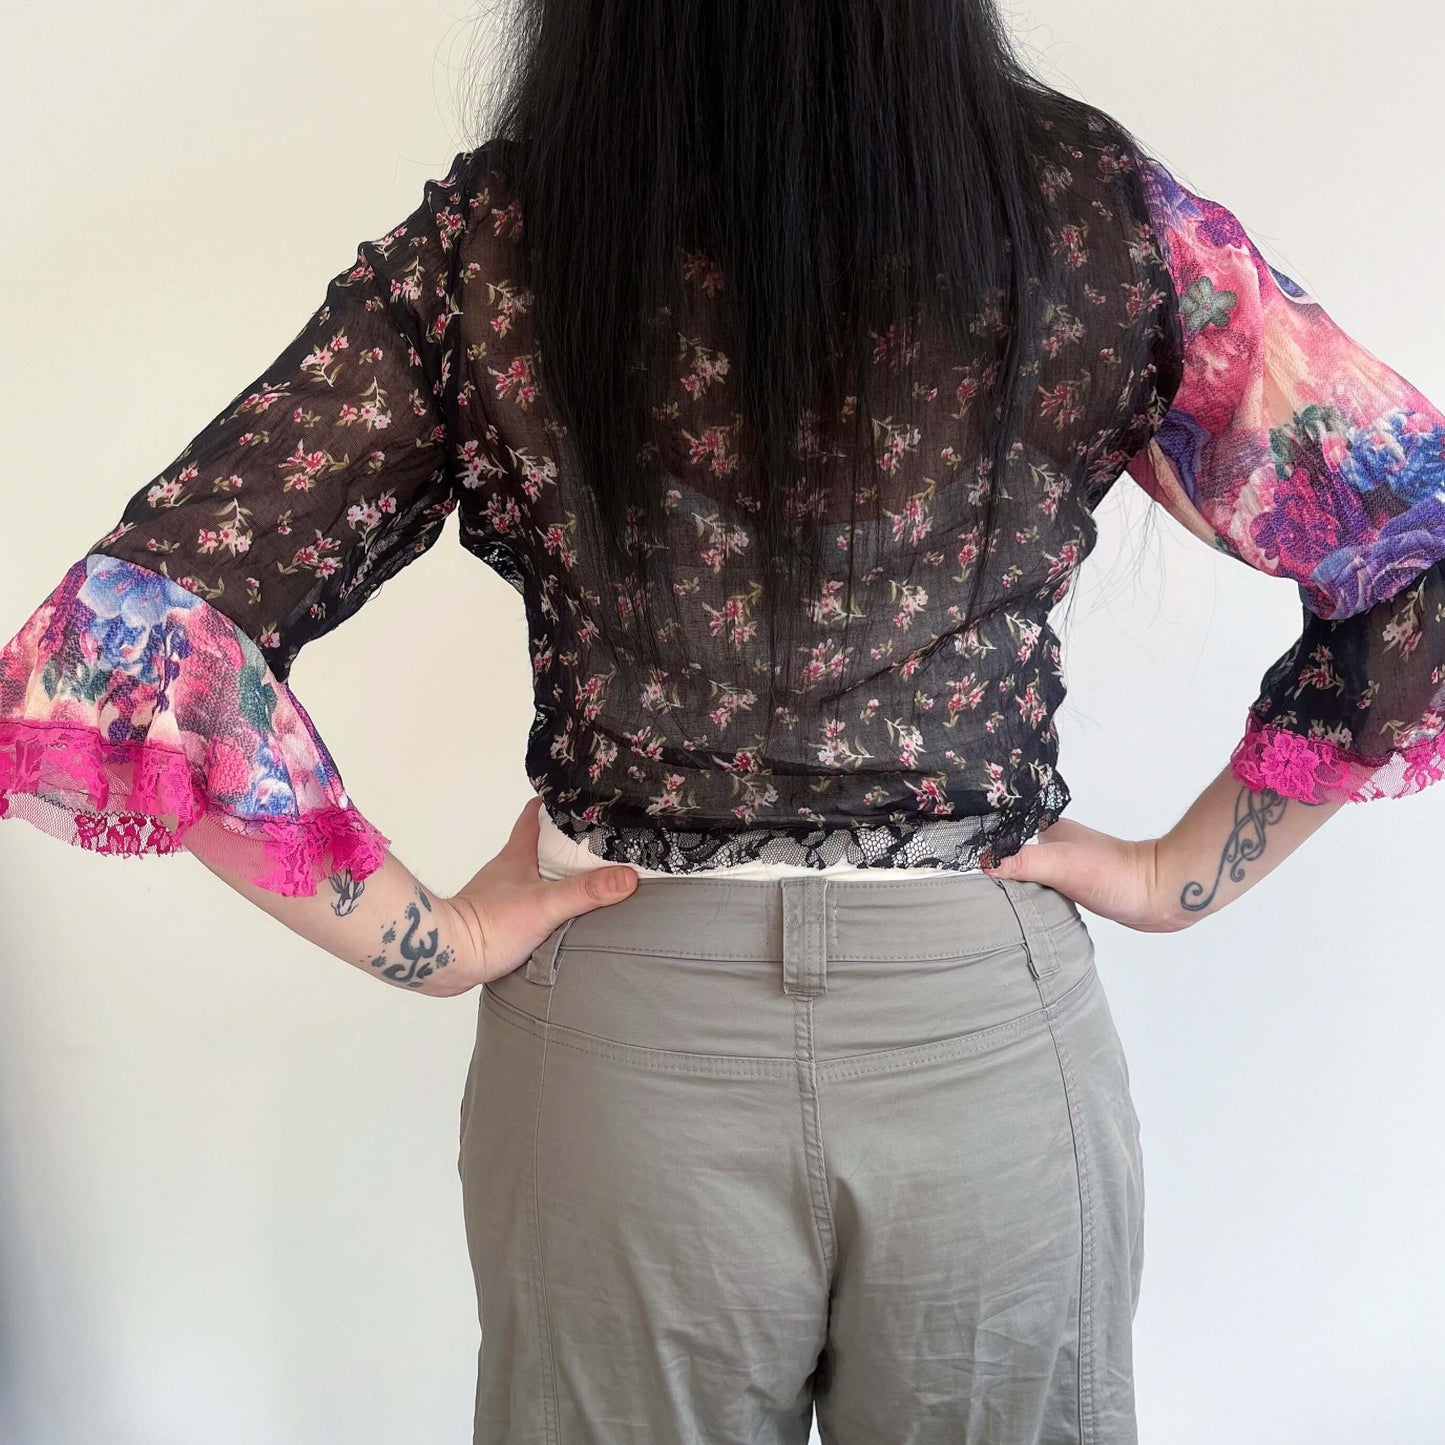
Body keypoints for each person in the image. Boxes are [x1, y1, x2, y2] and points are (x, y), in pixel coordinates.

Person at [2, 2, 1442, 1441]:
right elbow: (1413, 533)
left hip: (621, 1054)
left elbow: (138, 643)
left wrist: (434, 939)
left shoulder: (505, 239)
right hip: (982, 1042)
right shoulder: (1088, 216)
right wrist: (1168, 878)